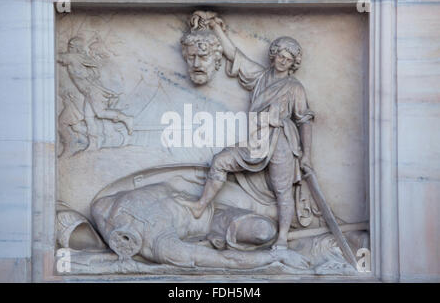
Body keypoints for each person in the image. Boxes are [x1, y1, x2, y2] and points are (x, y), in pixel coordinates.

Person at [179, 17, 315, 250]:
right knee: (220, 161)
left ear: (293, 63)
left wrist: (307, 156)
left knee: (283, 190)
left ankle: (282, 237)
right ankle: (201, 205)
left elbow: (305, 121)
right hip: (258, 139)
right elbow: (234, 55)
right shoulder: (261, 77)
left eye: (288, 58)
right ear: (273, 56)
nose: (282, 61)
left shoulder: (294, 87)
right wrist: (216, 29)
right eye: (280, 55)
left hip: (282, 140)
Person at [91, 182, 310, 270]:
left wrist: (276, 256)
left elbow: (228, 260)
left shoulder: (165, 243)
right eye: (237, 213)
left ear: (217, 240)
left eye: (228, 222)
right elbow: (98, 206)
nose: (227, 212)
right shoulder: (175, 190)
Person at [57, 36, 134, 151]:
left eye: (72, 46)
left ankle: (126, 119)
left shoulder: (73, 57)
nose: (69, 47)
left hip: (93, 91)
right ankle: (93, 144)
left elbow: (57, 57)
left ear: (77, 48)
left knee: (100, 113)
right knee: (89, 117)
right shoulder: (81, 58)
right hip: (88, 92)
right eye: (69, 45)